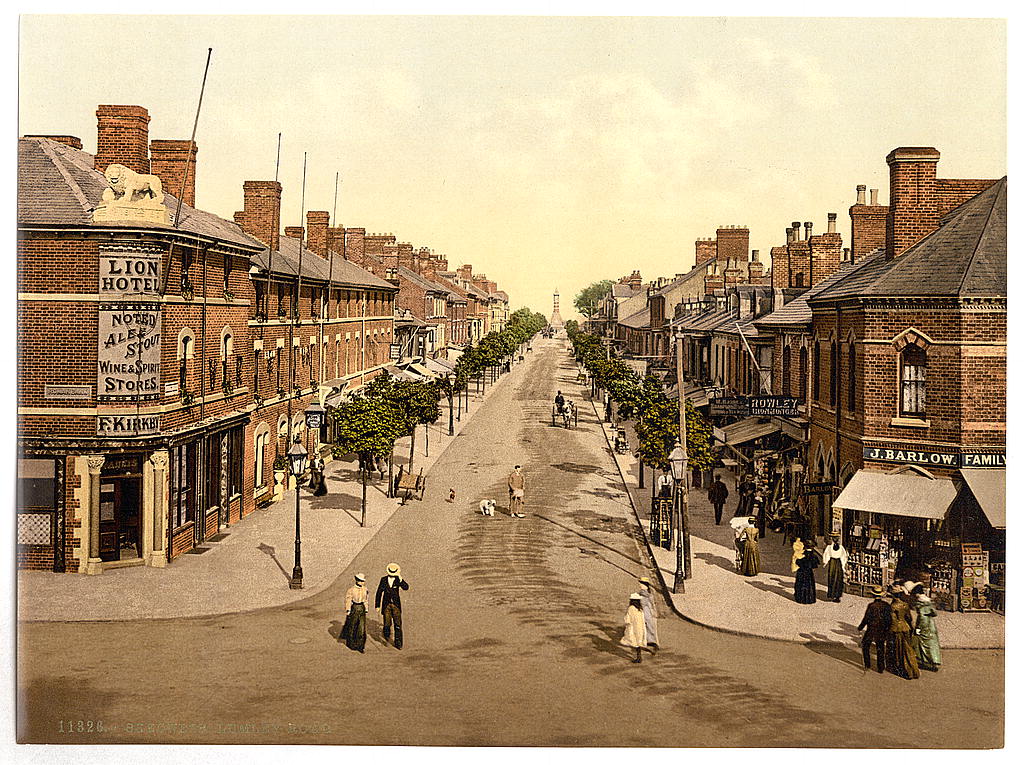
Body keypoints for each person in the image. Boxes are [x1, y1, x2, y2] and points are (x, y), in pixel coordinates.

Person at [888, 584, 920, 679]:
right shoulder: (904, 605)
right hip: (906, 627)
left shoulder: (892, 606)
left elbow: (892, 620)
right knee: (907, 649)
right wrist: (912, 628)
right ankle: (912, 669)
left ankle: (904, 669)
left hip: (897, 629)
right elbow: (909, 618)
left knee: (899, 650)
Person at [375, 563, 410, 650]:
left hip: (396, 605)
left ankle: (398, 643)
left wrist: (400, 578)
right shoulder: (383, 580)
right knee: (387, 624)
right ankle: (386, 636)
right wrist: (377, 605)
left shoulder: (398, 580)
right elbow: (379, 592)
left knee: (398, 625)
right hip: (386, 605)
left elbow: (406, 587)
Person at [857, 585, 891, 673]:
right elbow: (889, 619)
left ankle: (867, 664)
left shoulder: (872, 606)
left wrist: (860, 627)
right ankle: (881, 667)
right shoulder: (886, 605)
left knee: (865, 645)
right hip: (882, 629)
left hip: (871, 629)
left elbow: (866, 618)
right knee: (880, 647)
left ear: (873, 595)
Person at [909, 582, 942, 672]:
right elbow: (934, 613)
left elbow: (923, 618)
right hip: (931, 624)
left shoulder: (921, 602)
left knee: (922, 644)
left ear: (917, 593)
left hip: (924, 626)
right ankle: (935, 661)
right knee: (932, 643)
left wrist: (918, 629)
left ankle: (926, 661)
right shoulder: (928, 600)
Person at [340, 573, 369, 653]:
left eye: (363, 581)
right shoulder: (351, 590)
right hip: (354, 608)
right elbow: (348, 600)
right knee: (353, 626)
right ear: (356, 581)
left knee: (362, 628)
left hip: (362, 608)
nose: (362, 582)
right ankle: (351, 644)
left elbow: (366, 599)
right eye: (360, 581)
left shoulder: (365, 589)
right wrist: (348, 609)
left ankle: (361, 646)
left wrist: (366, 608)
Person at [620, 593, 647, 664]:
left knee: (634, 642)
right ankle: (639, 657)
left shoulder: (631, 608)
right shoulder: (640, 609)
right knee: (638, 642)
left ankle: (638, 658)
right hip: (640, 628)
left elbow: (627, 619)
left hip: (633, 628)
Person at [821, 535, 849, 602]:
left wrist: (825, 562)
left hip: (832, 563)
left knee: (832, 578)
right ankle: (837, 596)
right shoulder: (841, 547)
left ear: (832, 539)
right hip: (838, 563)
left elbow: (826, 556)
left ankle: (832, 595)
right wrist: (843, 566)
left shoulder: (829, 547)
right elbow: (844, 557)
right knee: (838, 579)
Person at [637, 577, 659, 653]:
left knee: (646, 627)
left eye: (640, 583)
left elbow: (643, 603)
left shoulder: (643, 594)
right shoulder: (648, 593)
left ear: (644, 584)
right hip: (649, 613)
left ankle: (651, 643)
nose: (639, 585)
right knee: (650, 628)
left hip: (646, 613)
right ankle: (651, 641)